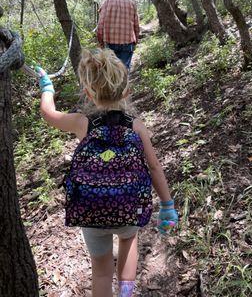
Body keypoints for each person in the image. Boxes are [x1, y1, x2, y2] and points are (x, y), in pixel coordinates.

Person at [36, 48, 178, 297]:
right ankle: (125, 293)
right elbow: (154, 167)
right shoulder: (136, 126)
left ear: (89, 93)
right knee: (128, 240)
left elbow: (49, 114)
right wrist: (167, 205)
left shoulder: (82, 123)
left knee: (101, 272)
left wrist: (47, 88)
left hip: (91, 210)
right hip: (127, 207)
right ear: (126, 90)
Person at [96, 0, 140, 70]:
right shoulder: (131, 4)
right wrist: (136, 40)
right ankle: (124, 83)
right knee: (124, 69)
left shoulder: (105, 3)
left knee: (112, 70)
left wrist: (100, 42)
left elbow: (100, 25)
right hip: (127, 42)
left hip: (110, 43)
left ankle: (114, 83)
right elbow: (136, 25)